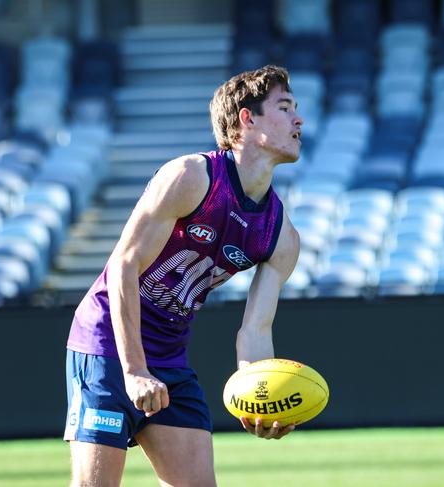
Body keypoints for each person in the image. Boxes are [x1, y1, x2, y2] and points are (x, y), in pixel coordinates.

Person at [64, 64, 303, 487]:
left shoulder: (281, 235)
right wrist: (134, 369)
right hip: (106, 345)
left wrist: (259, 397)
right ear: (246, 120)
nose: (298, 119)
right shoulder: (191, 177)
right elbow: (123, 265)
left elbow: (255, 330)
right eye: (284, 108)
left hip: (170, 358)